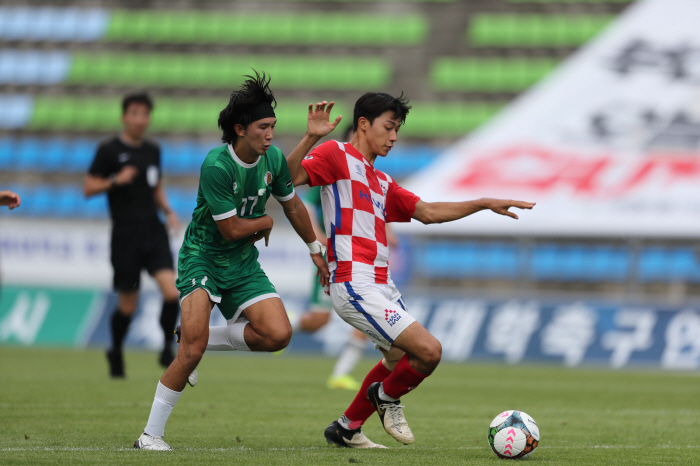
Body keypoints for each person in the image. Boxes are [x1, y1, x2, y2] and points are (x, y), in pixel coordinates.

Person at [287, 92, 535, 449]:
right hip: (354, 283)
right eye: (389, 128)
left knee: (399, 360)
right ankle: (385, 398)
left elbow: (429, 212)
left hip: (381, 285)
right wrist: (311, 138)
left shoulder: (381, 182)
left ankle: (346, 428)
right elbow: (289, 178)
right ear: (363, 124)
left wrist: (482, 203)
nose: (394, 137)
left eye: (397, 130)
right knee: (428, 352)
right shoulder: (336, 155)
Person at [133, 72, 340, 451]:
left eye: (274, 127)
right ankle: (150, 435)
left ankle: (193, 337)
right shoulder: (217, 165)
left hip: (242, 264)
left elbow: (292, 204)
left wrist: (314, 249)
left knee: (278, 335)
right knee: (191, 353)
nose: (271, 134)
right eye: (264, 127)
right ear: (240, 129)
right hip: (203, 259)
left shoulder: (272, 157)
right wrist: (263, 221)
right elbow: (230, 230)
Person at [291, 125, 400, 391]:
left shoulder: (377, 177)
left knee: (367, 319)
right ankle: (283, 325)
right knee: (318, 321)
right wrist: (316, 241)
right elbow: (305, 203)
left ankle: (340, 374)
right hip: (332, 258)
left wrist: (389, 232)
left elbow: (379, 212)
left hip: (362, 264)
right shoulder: (334, 169)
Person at [84, 93, 181, 378]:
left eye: (145, 114)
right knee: (129, 304)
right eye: (135, 113)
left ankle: (166, 346)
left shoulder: (153, 150)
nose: (140, 119)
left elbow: (156, 186)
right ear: (124, 116)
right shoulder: (108, 151)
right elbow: (88, 188)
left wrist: (168, 210)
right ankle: (115, 349)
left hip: (153, 230)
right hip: (125, 235)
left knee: (171, 291)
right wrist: (115, 180)